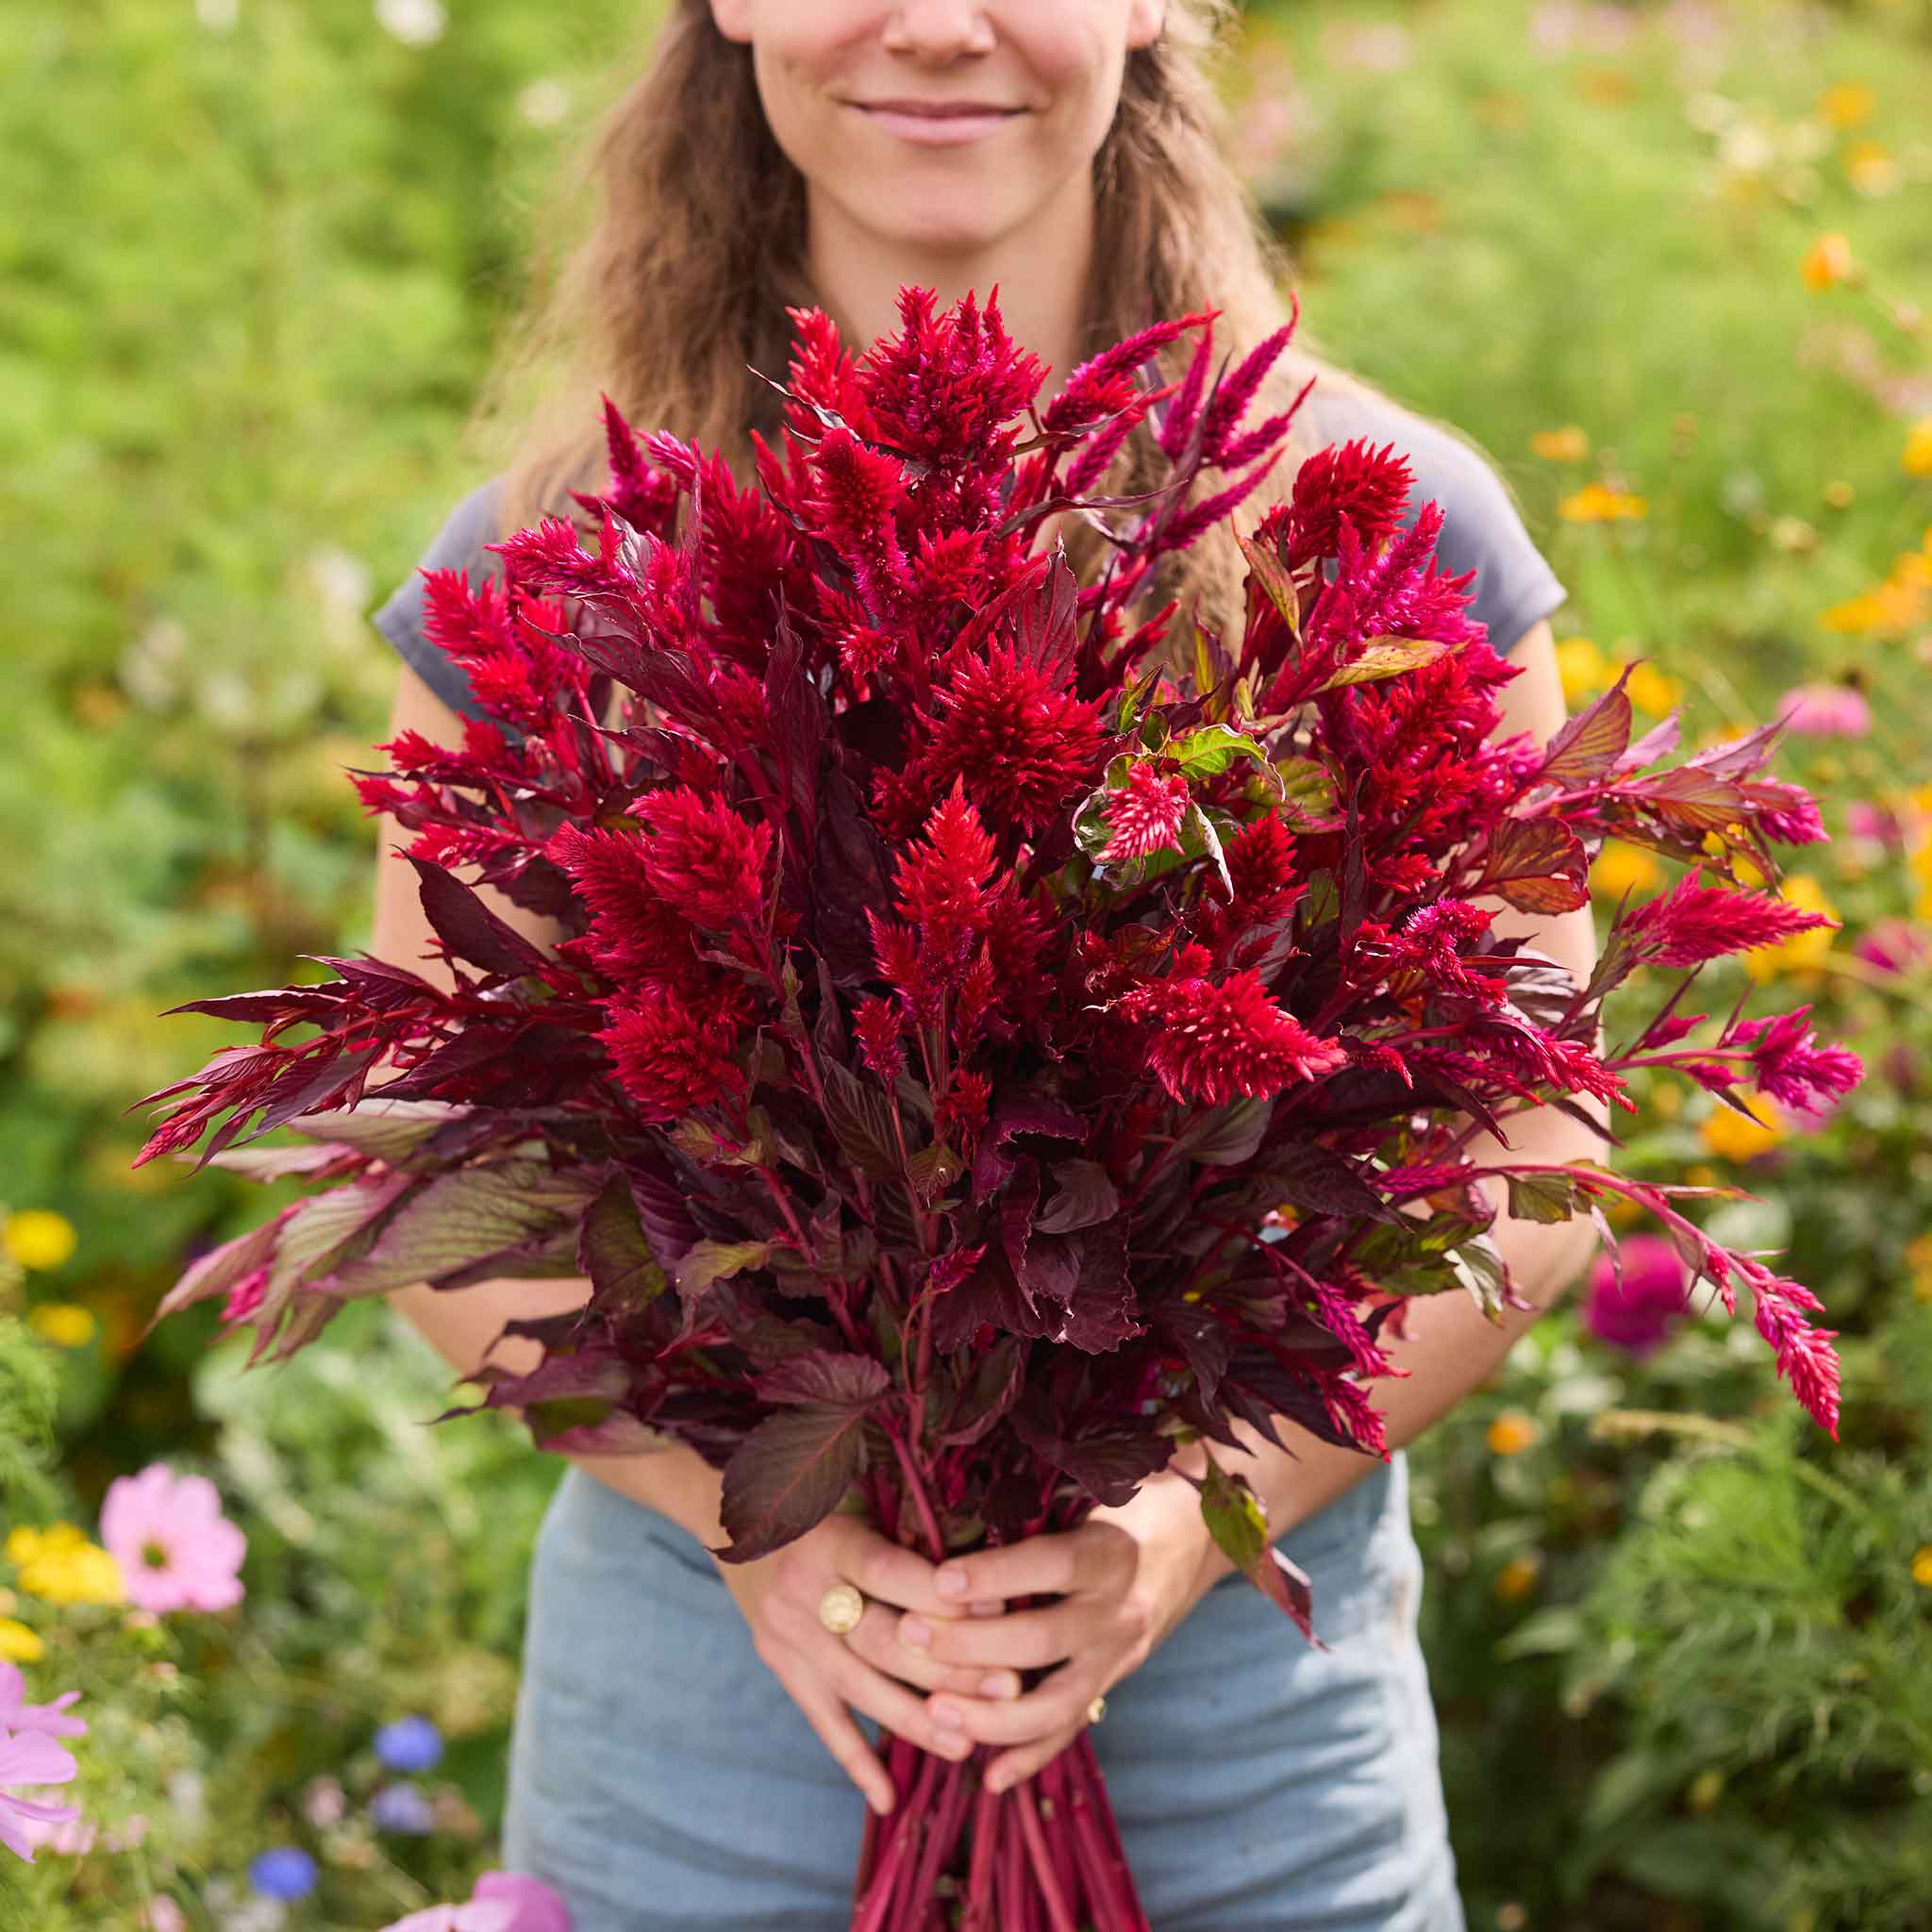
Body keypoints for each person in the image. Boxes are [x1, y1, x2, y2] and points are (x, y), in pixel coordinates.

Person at [364, 5, 1603, 1926]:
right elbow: (428, 1162)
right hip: (707, 1766)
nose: (938, 27)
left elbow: (1532, 1147)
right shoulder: (559, 561)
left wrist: (1180, 1526)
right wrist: (759, 1533)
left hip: (1251, 1783)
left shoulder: (1383, 528)